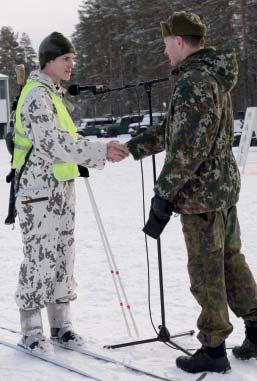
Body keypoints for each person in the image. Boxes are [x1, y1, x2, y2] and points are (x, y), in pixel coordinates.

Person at [125, 11, 257, 374]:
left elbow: (186, 150)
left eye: (166, 43)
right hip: (221, 191)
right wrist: (131, 147)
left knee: (206, 271)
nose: (165, 51)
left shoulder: (193, 81)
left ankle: (213, 348)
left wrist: (163, 196)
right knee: (231, 262)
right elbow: (174, 130)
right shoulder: (209, 75)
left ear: (179, 41)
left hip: (202, 197)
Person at [12, 31, 129, 351]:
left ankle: (61, 325)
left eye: (73, 59)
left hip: (60, 189)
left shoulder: (53, 94)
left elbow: (64, 141)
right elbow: (54, 144)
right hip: (38, 192)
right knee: (39, 258)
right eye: (66, 59)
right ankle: (31, 329)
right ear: (49, 61)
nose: (72, 65)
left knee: (62, 257)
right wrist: (100, 151)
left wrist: (91, 153)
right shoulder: (37, 95)